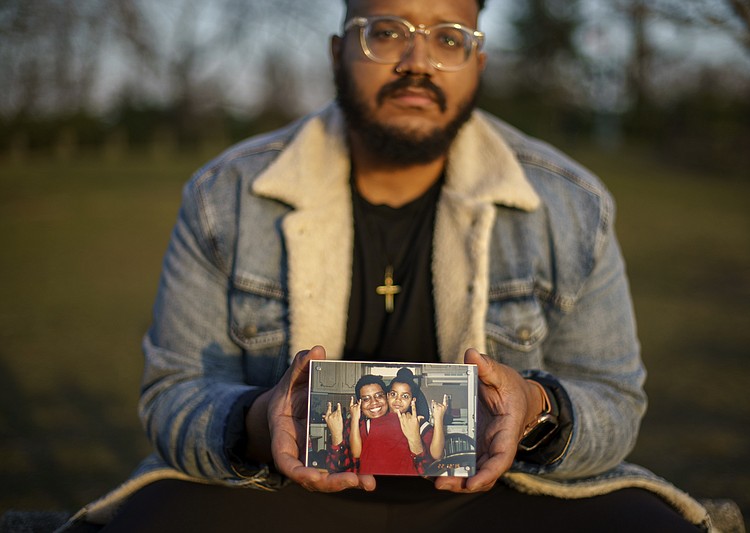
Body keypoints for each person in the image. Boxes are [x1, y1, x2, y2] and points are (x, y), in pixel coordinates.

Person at [62, 0, 715, 531]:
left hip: (502, 496)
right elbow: (172, 391)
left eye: (448, 37)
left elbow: (615, 397)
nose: (417, 60)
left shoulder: (571, 204)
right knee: (149, 519)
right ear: (336, 51)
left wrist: (536, 406)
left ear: (478, 60)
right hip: (280, 498)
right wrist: (261, 422)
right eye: (384, 31)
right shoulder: (224, 196)